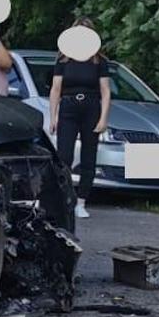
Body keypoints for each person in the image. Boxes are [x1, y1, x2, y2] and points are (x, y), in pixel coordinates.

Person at [46, 18, 112, 220]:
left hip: (91, 108)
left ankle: (81, 201)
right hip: (68, 108)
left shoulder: (99, 61)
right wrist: (53, 116)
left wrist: (103, 119)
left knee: (88, 156)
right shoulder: (63, 60)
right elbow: (55, 89)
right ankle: (65, 198)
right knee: (64, 156)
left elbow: (105, 91)